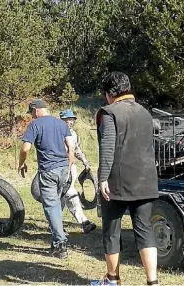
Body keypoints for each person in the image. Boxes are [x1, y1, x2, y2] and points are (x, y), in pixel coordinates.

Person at [92, 72, 159, 286]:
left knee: (111, 231)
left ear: (110, 93)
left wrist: (102, 178)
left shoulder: (109, 113)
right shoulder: (146, 113)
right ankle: (152, 281)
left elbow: (108, 146)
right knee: (145, 229)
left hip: (117, 182)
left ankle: (112, 279)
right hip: (146, 179)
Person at [18, 99, 74, 259]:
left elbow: (25, 148)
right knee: (56, 205)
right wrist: (69, 167)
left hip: (48, 171)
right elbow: (71, 146)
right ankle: (56, 243)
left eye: (31, 113)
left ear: (36, 110)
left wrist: (22, 164)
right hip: (63, 169)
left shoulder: (35, 125)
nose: (31, 116)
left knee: (51, 207)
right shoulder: (61, 124)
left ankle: (61, 244)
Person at [59, 109, 97, 234]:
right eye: (67, 119)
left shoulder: (73, 134)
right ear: (62, 120)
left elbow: (77, 150)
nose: (70, 122)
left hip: (71, 168)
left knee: (65, 195)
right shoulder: (56, 133)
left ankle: (58, 224)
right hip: (59, 168)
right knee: (67, 194)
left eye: (71, 119)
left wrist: (85, 161)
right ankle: (83, 222)